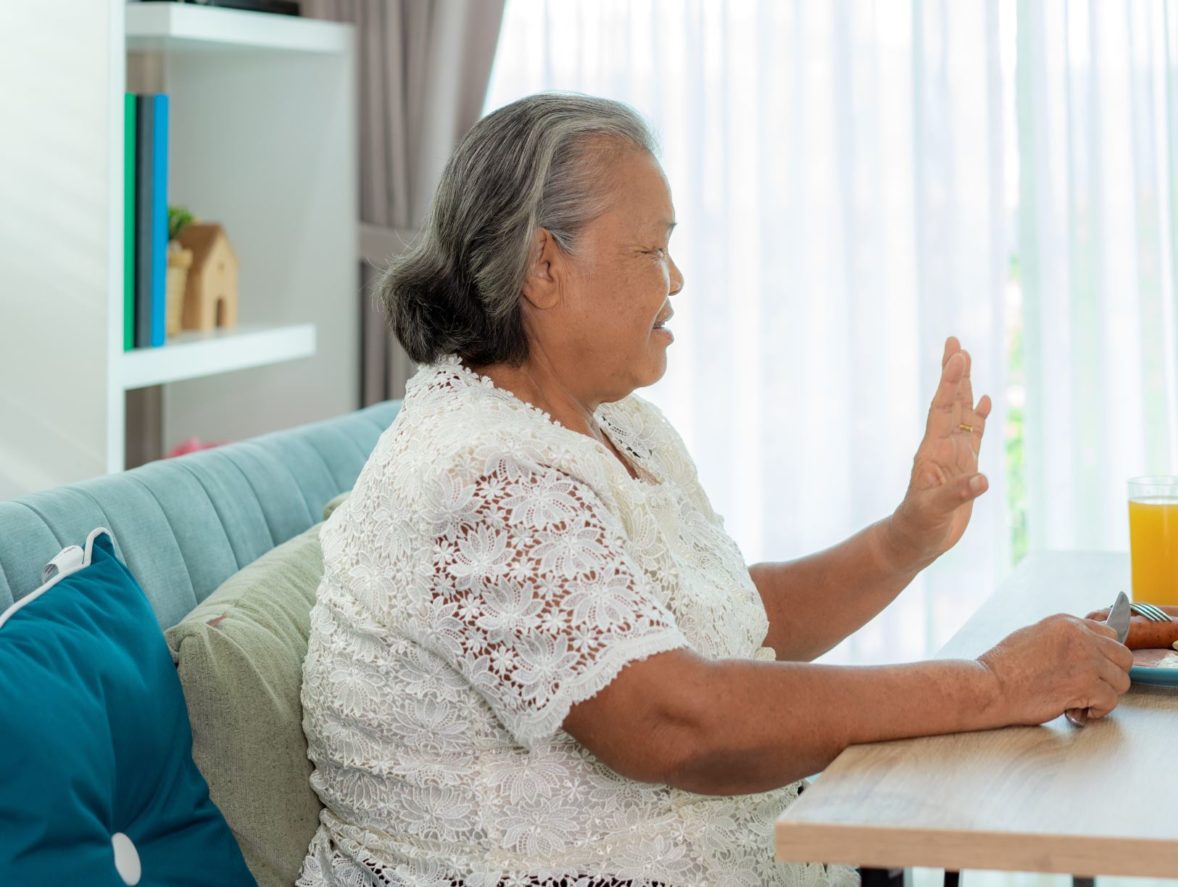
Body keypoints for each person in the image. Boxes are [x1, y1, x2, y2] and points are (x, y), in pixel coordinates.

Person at [296, 93, 1133, 887]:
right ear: (544, 266)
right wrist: (991, 685)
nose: (678, 279)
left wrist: (905, 536)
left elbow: (727, 614)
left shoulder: (618, 426)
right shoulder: (480, 475)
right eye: (652, 249)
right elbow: (675, 720)